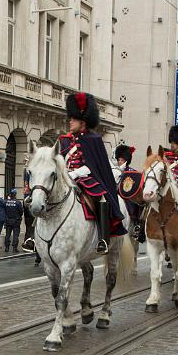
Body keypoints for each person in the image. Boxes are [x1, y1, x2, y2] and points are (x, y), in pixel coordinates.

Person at [59, 92, 126, 253]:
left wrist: (74, 174)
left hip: (85, 179)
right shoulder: (65, 139)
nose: (70, 121)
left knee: (101, 198)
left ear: (83, 121)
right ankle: (32, 237)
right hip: (64, 177)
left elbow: (92, 165)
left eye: (73, 119)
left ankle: (103, 238)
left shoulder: (93, 139)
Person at [115, 144, 145, 243]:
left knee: (132, 202)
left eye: (122, 160)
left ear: (126, 161)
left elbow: (132, 188)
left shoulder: (132, 172)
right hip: (117, 195)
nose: (119, 162)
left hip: (127, 196)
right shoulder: (115, 170)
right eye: (118, 160)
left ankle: (136, 223)